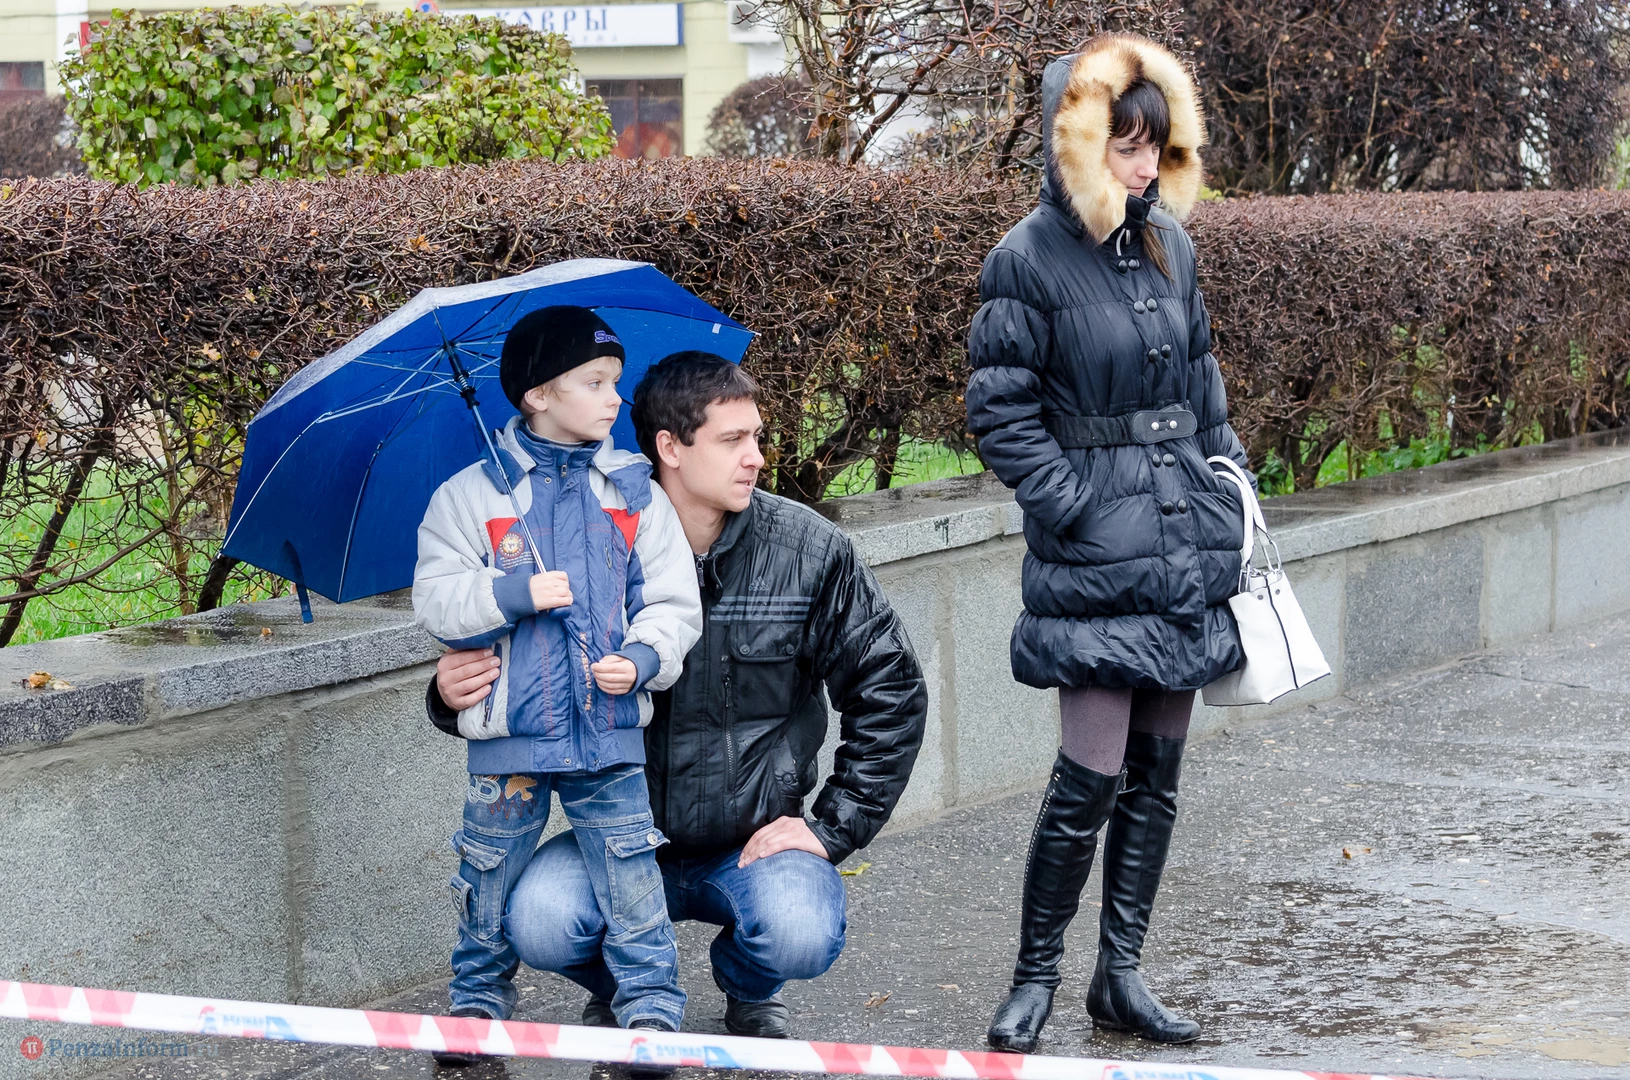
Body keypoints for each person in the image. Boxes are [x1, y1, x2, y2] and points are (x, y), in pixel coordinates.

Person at [429, 352, 928, 1040]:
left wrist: (829, 826)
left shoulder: (808, 551)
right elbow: (529, 662)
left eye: (757, 437)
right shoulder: (586, 542)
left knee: (800, 930)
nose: (756, 458)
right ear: (670, 447)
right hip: (620, 835)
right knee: (540, 919)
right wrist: (447, 694)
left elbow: (891, 688)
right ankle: (615, 986)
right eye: (732, 440)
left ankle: (749, 987)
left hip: (751, 842)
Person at [965, 34, 1251, 1051]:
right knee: (1085, 775)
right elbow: (1000, 413)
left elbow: (1204, 387)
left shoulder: (1171, 244)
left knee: (1157, 776)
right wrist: (1075, 508)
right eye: (1123, 145)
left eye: (1154, 146)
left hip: (1183, 541)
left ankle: (1119, 975)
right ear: (1076, 141)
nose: (1142, 166)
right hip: (1097, 552)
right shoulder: (1025, 257)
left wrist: (1231, 493)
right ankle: (1034, 977)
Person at [412, 306, 703, 1065]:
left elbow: (672, 602)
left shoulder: (633, 493)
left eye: (616, 381)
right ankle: (476, 1007)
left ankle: (651, 1011)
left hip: (607, 729)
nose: (615, 398)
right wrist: (510, 594)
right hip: (510, 739)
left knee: (631, 873)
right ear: (538, 394)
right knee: (487, 873)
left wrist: (642, 659)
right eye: (595, 382)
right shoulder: (471, 497)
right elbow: (436, 599)